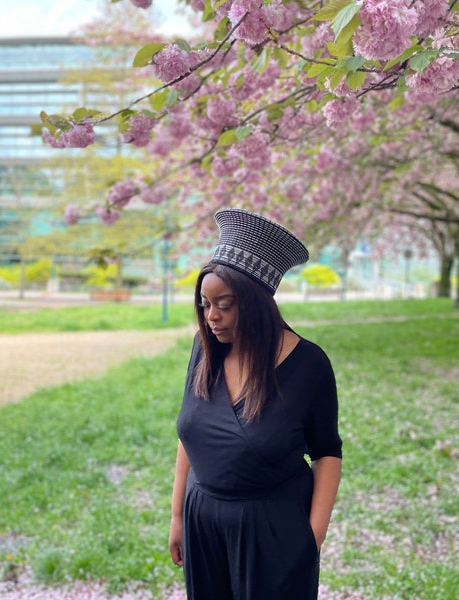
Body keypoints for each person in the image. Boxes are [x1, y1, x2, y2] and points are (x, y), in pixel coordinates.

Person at [169, 208, 342, 600]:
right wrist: (178, 515)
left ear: (255, 303)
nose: (211, 317)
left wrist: (309, 542)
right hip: (203, 525)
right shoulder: (206, 350)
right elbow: (190, 436)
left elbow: (327, 454)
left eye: (224, 304)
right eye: (204, 304)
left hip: (272, 533)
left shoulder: (310, 365)